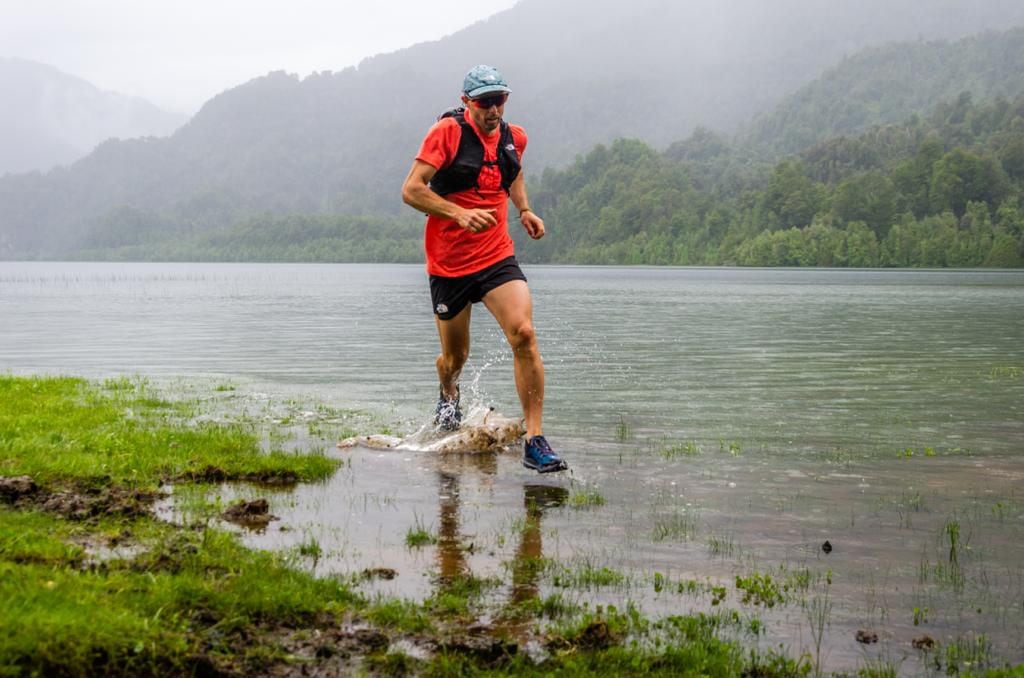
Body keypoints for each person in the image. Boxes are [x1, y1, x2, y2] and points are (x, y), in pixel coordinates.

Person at [401, 64, 568, 474]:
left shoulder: (516, 137)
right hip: (449, 264)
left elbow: (513, 172)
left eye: (500, 100)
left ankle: (535, 440)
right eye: (485, 103)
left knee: (524, 334)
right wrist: (458, 213)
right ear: (466, 103)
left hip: (495, 256)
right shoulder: (447, 134)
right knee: (454, 358)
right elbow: (411, 190)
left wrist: (524, 209)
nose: (494, 110)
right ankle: (448, 391)